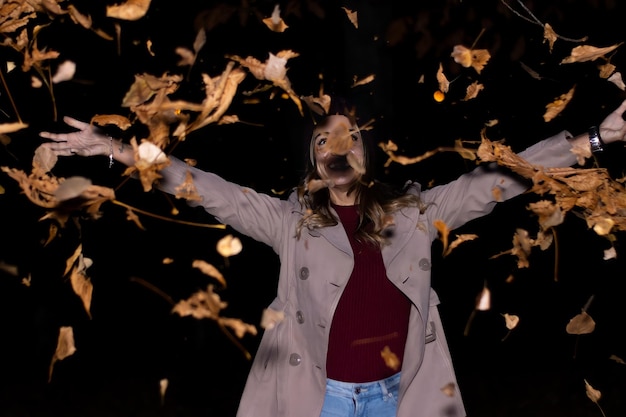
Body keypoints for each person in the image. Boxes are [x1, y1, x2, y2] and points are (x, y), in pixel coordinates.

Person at [39, 98, 626, 417]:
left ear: (366, 155)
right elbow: (203, 186)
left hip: (402, 393)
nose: (335, 147)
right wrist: (116, 148)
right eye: (322, 141)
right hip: (322, 398)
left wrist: (594, 139)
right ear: (313, 161)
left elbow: (503, 178)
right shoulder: (288, 221)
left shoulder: (417, 212)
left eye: (348, 137)